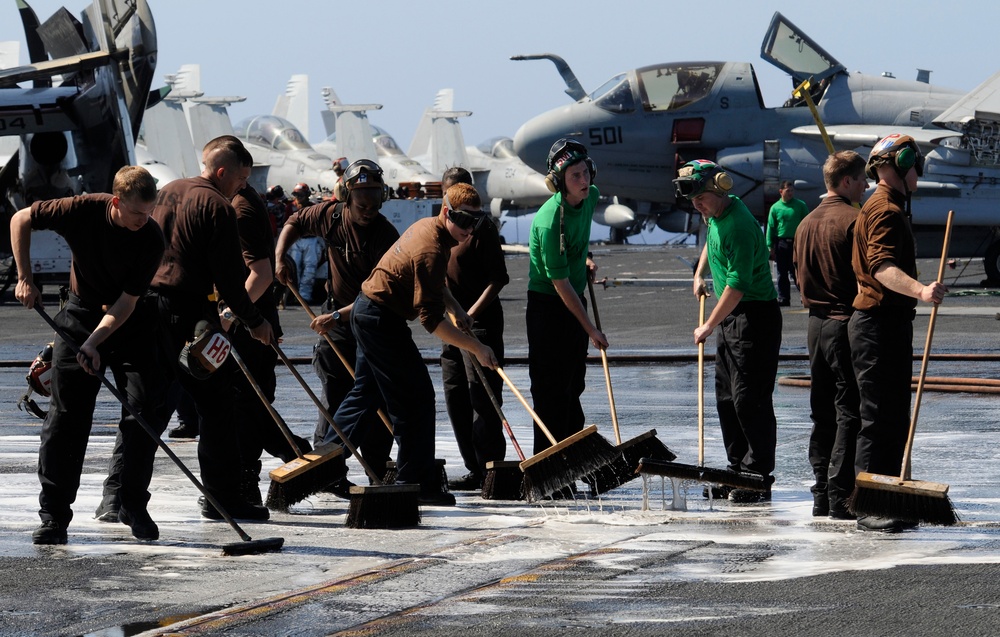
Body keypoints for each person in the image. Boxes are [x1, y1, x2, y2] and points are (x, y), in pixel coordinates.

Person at [10, 166, 166, 545]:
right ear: (116, 202)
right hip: (79, 313)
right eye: (137, 214)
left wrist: (95, 343)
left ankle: (130, 502)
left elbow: (127, 302)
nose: (144, 221)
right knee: (67, 417)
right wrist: (25, 276)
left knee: (146, 407)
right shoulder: (81, 208)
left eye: (149, 213)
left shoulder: (151, 238)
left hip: (130, 320)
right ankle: (54, 516)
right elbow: (21, 218)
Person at [324, 181, 498, 505]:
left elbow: (432, 281)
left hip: (369, 311)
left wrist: (457, 308)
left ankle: (325, 457)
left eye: (476, 222)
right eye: (462, 220)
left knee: (366, 391)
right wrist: (476, 347)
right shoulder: (433, 248)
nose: (469, 229)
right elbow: (430, 322)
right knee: (416, 399)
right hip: (378, 319)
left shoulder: (431, 230)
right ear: (446, 212)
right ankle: (414, 481)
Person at [148, 135, 274, 521]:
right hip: (192, 315)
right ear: (223, 172)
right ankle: (223, 500)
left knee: (147, 407)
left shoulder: (167, 191)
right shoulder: (218, 206)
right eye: (240, 180)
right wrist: (255, 322)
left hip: (150, 310)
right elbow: (232, 283)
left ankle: (120, 496)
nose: (242, 188)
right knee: (217, 407)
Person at [275, 159, 398, 496]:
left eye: (375, 205)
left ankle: (378, 469)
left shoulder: (385, 235)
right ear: (346, 196)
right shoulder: (329, 217)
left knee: (377, 401)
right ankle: (329, 469)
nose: (368, 212)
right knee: (334, 395)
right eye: (362, 205)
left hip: (371, 320)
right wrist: (281, 256)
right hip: (337, 322)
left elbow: (379, 294)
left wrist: (339, 316)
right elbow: (294, 222)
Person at [849, 133, 945, 533]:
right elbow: (882, 267)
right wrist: (922, 290)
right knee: (878, 417)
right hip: (877, 324)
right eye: (915, 166)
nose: (918, 175)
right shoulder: (886, 210)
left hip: (885, 323)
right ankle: (869, 505)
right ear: (903, 165)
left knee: (890, 417)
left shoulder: (887, 206)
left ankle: (886, 496)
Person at [677, 159, 781, 503]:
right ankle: (736, 469)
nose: (697, 206)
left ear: (720, 189)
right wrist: (699, 272)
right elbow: (710, 237)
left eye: (701, 198)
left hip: (754, 316)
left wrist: (708, 324)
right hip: (732, 315)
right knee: (726, 397)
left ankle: (757, 474)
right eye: (692, 201)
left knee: (749, 398)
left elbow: (736, 286)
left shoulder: (737, 224)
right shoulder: (716, 214)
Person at [226, 184, 312, 504]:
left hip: (249, 326)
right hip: (254, 322)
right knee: (249, 405)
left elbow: (259, 274)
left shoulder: (241, 209)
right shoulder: (246, 201)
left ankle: (249, 480)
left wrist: (231, 316)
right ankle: (296, 454)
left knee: (246, 405)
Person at [792, 151, 867, 519]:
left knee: (821, 413)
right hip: (843, 321)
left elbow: (796, 274)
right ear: (847, 182)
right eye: (862, 179)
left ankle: (821, 493)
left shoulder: (805, 222)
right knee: (848, 411)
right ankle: (840, 495)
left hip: (814, 325)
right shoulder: (855, 220)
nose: (866, 186)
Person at [526, 139, 607, 460]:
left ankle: (575, 460)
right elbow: (558, 282)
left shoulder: (591, 198)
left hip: (575, 299)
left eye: (586, 172)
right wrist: (591, 329)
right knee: (549, 393)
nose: (584, 181)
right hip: (548, 307)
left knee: (574, 387)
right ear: (559, 182)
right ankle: (547, 462)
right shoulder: (549, 221)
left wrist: (583, 256)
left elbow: (579, 238)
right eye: (575, 176)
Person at [439, 169, 509, 490]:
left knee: (484, 397)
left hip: (479, 325)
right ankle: (473, 467)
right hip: (451, 326)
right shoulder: (440, 226)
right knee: (456, 395)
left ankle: (491, 469)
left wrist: (469, 314)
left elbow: (498, 279)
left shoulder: (483, 227)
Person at [766, 180, 809, 306]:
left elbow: (806, 223)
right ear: (781, 191)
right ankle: (783, 298)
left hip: (796, 242)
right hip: (781, 243)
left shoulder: (800, 205)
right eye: (788, 191)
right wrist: (770, 246)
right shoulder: (775, 208)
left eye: (792, 191)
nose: (790, 193)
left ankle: (804, 295)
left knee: (797, 271)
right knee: (781, 273)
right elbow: (771, 227)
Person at [287, 183, 325, 304]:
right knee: (294, 269)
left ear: (307, 195)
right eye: (296, 195)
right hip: (295, 241)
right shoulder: (290, 207)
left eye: (301, 195)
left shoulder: (313, 207)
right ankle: (294, 296)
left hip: (311, 240)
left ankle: (305, 296)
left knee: (310, 268)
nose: (298, 198)